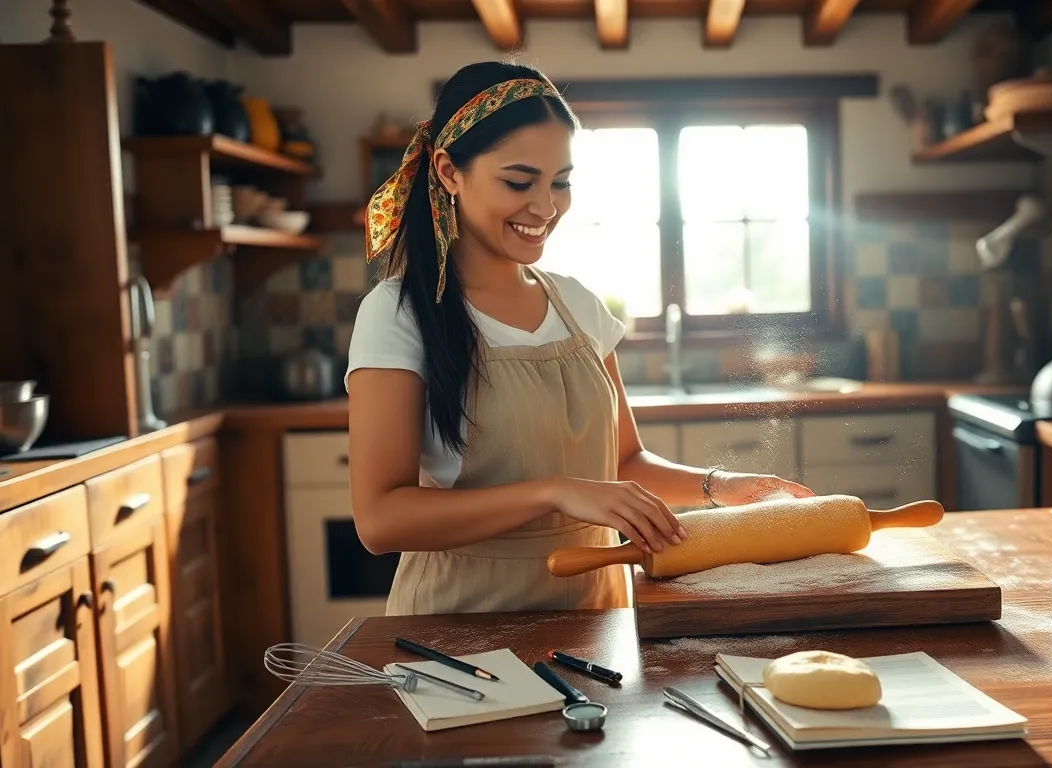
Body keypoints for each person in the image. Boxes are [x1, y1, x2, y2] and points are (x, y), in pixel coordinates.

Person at [345, 61, 815, 616]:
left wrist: (725, 486)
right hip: (459, 625)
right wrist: (552, 490)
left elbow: (625, 462)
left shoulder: (578, 306)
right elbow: (380, 520)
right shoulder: (397, 314)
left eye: (560, 182)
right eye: (519, 182)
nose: (546, 207)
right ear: (449, 171)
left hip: (596, 613)